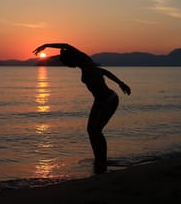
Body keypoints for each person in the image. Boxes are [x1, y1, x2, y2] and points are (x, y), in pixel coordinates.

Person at [33, 43, 131, 173]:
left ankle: (102, 160)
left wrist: (46, 45)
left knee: (96, 131)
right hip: (99, 101)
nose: (68, 66)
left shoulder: (85, 61)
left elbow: (66, 45)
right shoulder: (84, 66)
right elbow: (103, 71)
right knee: (91, 130)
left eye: (66, 63)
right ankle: (99, 159)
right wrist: (120, 83)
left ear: (71, 59)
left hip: (109, 100)